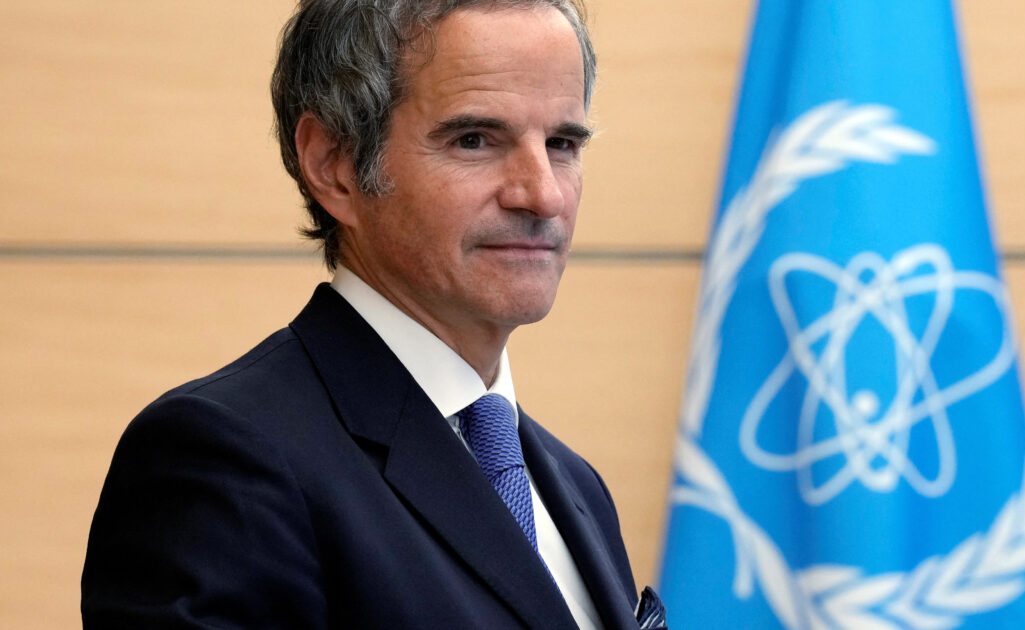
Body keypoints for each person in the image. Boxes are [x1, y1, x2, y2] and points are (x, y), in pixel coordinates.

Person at [82, 1, 661, 628]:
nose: (543, 194)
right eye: (474, 140)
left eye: (562, 144)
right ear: (334, 166)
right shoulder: (223, 460)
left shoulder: (577, 486)